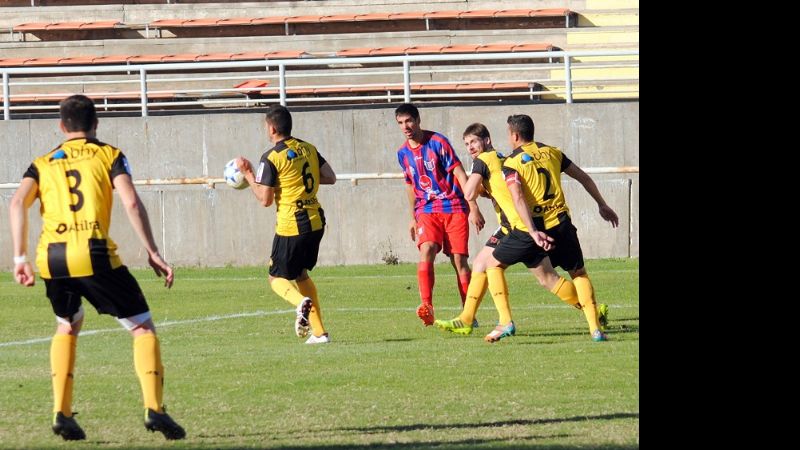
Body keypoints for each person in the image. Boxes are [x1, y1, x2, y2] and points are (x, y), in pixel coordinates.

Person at [8, 95, 185, 441]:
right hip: (93, 251)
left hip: (51, 256)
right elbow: (131, 201)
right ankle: (154, 408)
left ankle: (61, 411)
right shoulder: (109, 155)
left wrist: (19, 257)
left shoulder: (42, 162)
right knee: (142, 329)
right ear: (96, 124)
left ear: (61, 126)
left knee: (67, 325)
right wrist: (152, 251)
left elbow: (17, 203)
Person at [435, 123, 611, 336]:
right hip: (531, 222)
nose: (470, 147)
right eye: (466, 144)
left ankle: (497, 321)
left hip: (516, 226)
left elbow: (469, 192)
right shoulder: (501, 158)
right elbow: (496, 188)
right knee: (546, 278)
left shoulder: (483, 161)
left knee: (490, 264)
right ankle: (592, 310)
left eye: (473, 141)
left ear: (487, 140)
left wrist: (461, 179)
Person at [481, 114, 619, 343]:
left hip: (533, 230)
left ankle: (505, 322)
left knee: (492, 265)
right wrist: (602, 204)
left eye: (508, 134)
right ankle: (595, 329)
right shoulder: (553, 152)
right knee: (575, 274)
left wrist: (533, 231)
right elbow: (583, 177)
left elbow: (517, 197)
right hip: (562, 224)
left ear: (514, 135)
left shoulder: (511, 163)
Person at [235, 105, 336, 344]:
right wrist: (299, 177)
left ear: (271, 128)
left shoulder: (271, 157)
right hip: (315, 221)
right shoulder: (308, 148)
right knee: (301, 274)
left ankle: (299, 303)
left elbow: (265, 200)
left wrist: (248, 173)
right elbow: (330, 177)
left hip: (292, 224)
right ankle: (320, 333)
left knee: (275, 278)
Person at [394, 103, 484, 326]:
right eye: (400, 123)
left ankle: (469, 314)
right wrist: (412, 217)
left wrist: (473, 206)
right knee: (427, 249)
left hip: (453, 206)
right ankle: (427, 306)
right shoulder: (402, 153)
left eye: (409, 121)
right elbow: (410, 185)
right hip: (426, 209)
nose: (405, 127)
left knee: (459, 261)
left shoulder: (438, 142)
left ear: (418, 120)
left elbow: (459, 172)